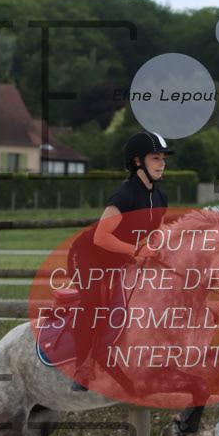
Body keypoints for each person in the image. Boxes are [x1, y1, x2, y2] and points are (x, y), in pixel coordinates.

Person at [67, 130, 174, 392]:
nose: (162, 163)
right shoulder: (123, 196)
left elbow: (157, 231)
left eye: (163, 158)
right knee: (93, 302)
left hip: (120, 255)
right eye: (155, 158)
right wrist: (137, 250)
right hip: (88, 254)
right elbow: (101, 237)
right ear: (138, 162)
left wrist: (161, 248)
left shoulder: (160, 196)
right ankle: (82, 368)